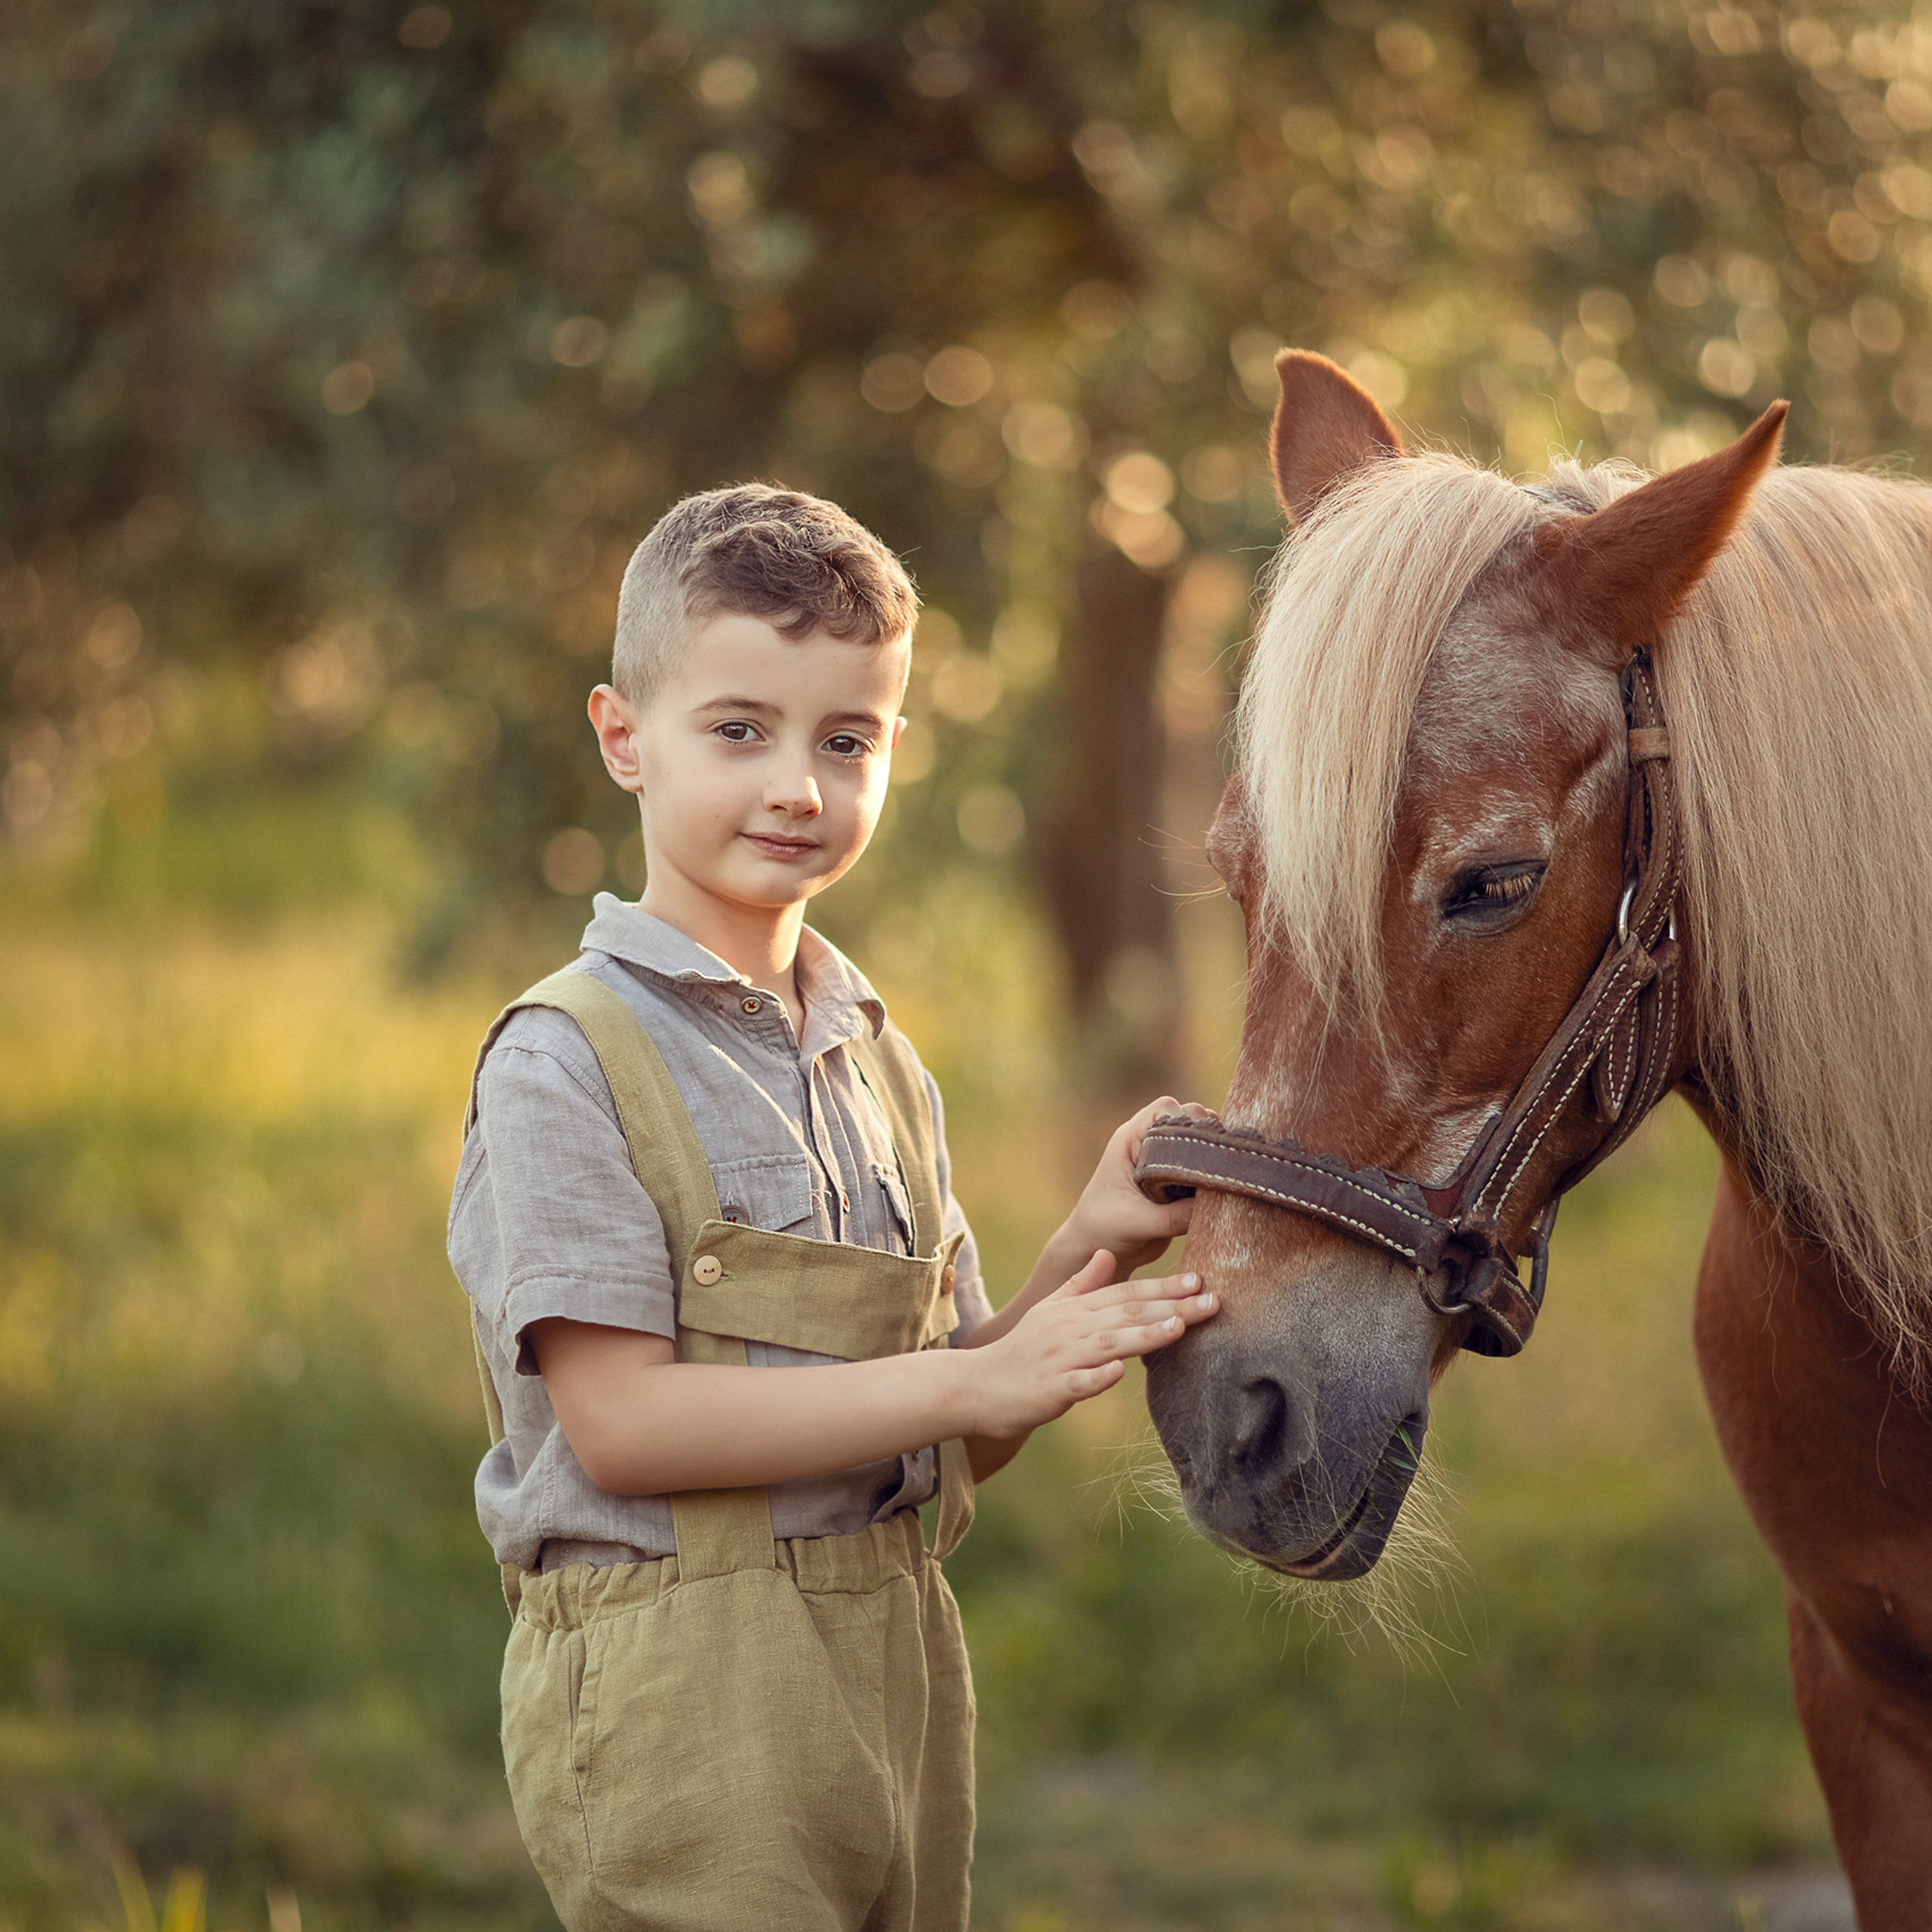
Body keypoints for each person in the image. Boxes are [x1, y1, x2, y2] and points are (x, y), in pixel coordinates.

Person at [448, 483, 1218, 1932]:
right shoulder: (567, 1059)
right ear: (623, 737)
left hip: (896, 1676)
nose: (798, 785)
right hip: (690, 1704)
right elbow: (622, 1427)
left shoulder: (876, 1059)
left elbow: (966, 1416)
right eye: (738, 730)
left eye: (846, 740)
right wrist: (966, 1375)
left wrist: (1092, 1242)